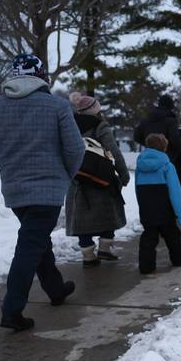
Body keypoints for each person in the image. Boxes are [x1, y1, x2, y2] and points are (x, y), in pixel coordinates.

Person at [0, 53, 84, 331]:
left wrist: (9, 167)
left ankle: (56, 289)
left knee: (35, 239)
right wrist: (63, 175)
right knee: (29, 245)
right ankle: (12, 311)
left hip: (15, 190)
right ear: (41, 76)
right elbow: (75, 149)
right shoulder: (58, 106)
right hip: (47, 190)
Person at [65, 92, 130, 267]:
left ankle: (88, 256)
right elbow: (114, 152)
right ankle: (105, 249)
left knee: (81, 218)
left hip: (77, 178)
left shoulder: (68, 126)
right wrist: (123, 174)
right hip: (101, 178)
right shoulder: (101, 126)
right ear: (95, 110)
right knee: (109, 213)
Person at [135, 134, 181, 274]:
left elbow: (137, 190)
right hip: (165, 210)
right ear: (164, 147)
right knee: (172, 236)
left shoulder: (140, 166)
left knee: (148, 238)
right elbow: (175, 192)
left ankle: (146, 266)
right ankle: (178, 259)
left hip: (147, 209)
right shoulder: (167, 166)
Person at [134, 95, 181, 163]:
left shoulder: (146, 120)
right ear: (170, 107)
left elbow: (136, 137)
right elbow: (175, 141)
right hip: (166, 157)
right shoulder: (171, 121)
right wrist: (173, 154)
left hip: (149, 157)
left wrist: (149, 144)